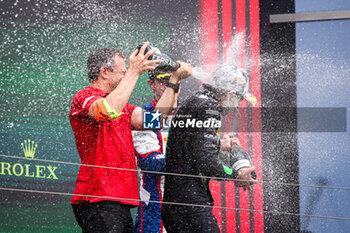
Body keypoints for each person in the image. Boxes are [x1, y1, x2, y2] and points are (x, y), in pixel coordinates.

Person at [69, 42, 192, 233]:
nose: (126, 75)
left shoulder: (125, 108)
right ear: (105, 72)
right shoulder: (85, 96)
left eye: (127, 71)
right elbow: (107, 110)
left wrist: (173, 80)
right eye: (123, 71)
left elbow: (156, 120)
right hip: (97, 197)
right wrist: (134, 71)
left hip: (121, 200)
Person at [161, 64, 257, 233]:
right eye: (239, 99)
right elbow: (206, 162)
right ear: (230, 94)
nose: (236, 106)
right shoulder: (209, 108)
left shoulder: (194, 101)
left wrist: (218, 144)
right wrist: (236, 174)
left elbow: (190, 149)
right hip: (190, 205)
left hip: (177, 203)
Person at [132, 70, 178, 233]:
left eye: (173, 81)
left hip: (189, 205)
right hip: (155, 207)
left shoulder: (191, 116)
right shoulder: (142, 116)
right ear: (151, 84)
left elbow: (209, 159)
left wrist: (234, 170)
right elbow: (151, 163)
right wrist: (189, 158)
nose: (170, 86)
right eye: (164, 81)